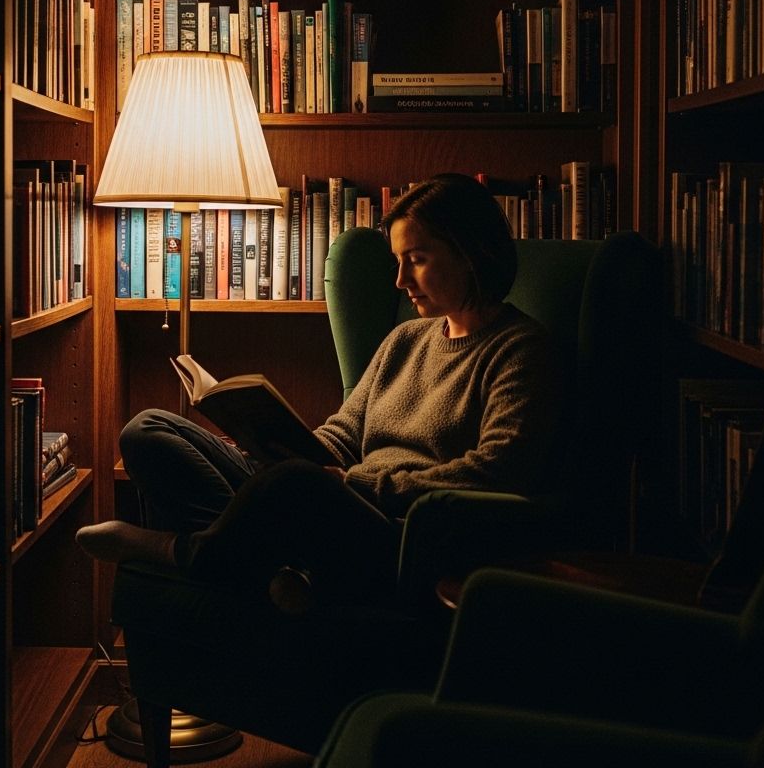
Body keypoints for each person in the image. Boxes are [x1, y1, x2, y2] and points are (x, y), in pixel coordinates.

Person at [77, 173, 562, 610]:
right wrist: (280, 443)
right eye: (398, 262)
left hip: (394, 531)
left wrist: (348, 483)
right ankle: (268, 569)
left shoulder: (520, 351)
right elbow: (345, 432)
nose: (400, 281)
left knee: (299, 484)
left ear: (472, 253)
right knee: (150, 430)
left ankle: (187, 552)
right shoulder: (407, 340)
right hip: (335, 491)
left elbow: (497, 472)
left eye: (416, 260)